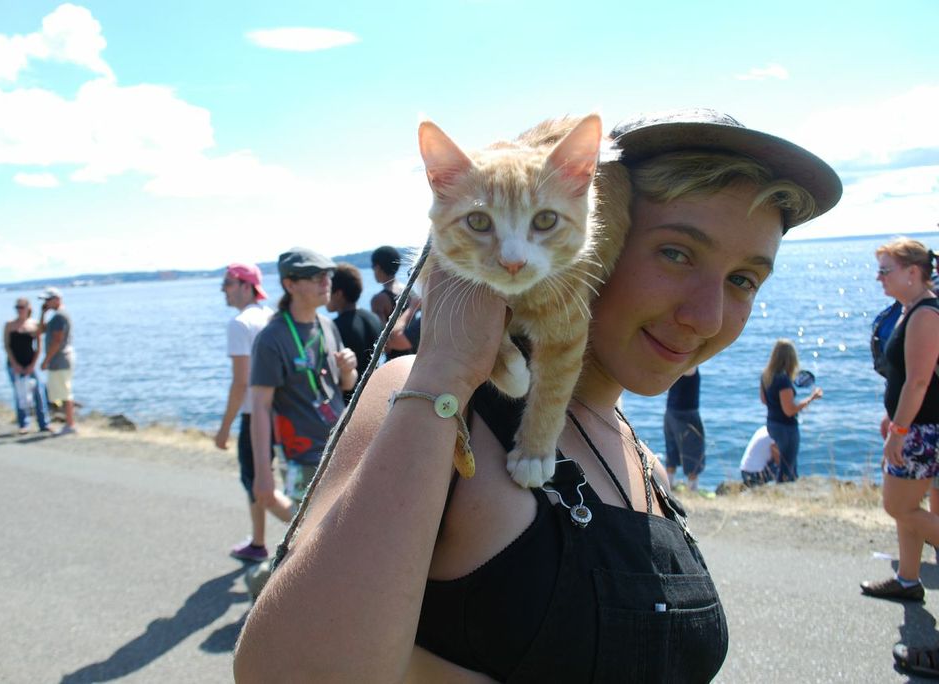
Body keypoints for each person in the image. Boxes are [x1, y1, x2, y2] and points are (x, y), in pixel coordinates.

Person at [234, 108, 841, 682]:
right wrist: (445, 372)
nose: (707, 316)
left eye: (744, 279)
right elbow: (282, 672)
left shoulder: (642, 461)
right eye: (676, 253)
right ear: (604, 230)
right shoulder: (440, 404)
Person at [249, 247, 357, 524]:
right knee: (308, 531)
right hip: (304, 456)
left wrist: (349, 369)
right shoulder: (272, 338)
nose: (326, 282)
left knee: (346, 525)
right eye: (315, 276)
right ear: (290, 284)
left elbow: (346, 385)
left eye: (328, 275)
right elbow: (260, 407)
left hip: (341, 447)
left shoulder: (327, 326)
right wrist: (263, 472)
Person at [860, 239, 939, 612]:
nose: (879, 277)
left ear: (913, 272)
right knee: (909, 506)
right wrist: (893, 416)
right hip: (918, 425)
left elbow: (918, 382)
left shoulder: (925, 314)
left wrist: (899, 430)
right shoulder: (913, 310)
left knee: (898, 506)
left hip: (922, 430)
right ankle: (908, 580)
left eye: (885, 270)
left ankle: (909, 579)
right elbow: (908, 378)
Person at [213, 263, 279, 563]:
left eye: (227, 283)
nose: (223, 289)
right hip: (280, 412)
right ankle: (260, 540)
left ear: (245, 286)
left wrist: (225, 427)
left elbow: (241, 382)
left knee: (256, 481)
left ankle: (273, 540)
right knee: (269, 477)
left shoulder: (239, 324)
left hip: (255, 415)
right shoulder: (271, 316)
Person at [759, 339, 823, 482]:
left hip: (772, 424)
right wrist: (812, 398)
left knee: (785, 465)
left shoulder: (766, 376)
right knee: (788, 469)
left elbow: (764, 400)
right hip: (786, 428)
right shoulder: (783, 380)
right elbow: (789, 410)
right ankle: (782, 492)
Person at [326, 262, 383, 402]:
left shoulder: (334, 327)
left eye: (328, 291)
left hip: (350, 401)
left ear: (338, 294)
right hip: (374, 394)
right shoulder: (374, 318)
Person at [3, 298, 50, 434]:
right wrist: (14, 364)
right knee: (20, 394)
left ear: (28, 308)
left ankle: (44, 423)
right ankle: (23, 424)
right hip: (14, 364)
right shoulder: (9, 325)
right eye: (17, 307)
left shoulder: (34, 324)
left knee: (39, 393)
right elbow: (7, 346)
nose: (19, 310)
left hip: (30, 363)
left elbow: (39, 346)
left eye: (22, 307)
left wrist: (32, 365)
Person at [38, 287, 77, 435]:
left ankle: (70, 424)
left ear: (57, 299)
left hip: (60, 359)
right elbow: (41, 330)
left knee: (65, 393)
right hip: (59, 359)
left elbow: (57, 341)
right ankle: (68, 423)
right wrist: (43, 313)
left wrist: (46, 360)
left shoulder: (60, 316)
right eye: (45, 300)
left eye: (48, 300)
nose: (46, 303)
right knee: (62, 392)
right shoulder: (56, 317)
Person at [663, 365, 705, 491]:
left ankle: (668, 487)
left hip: (670, 413)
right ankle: (692, 491)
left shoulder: (673, 367)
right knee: (694, 456)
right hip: (686, 415)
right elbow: (691, 365)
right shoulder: (689, 366)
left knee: (671, 454)